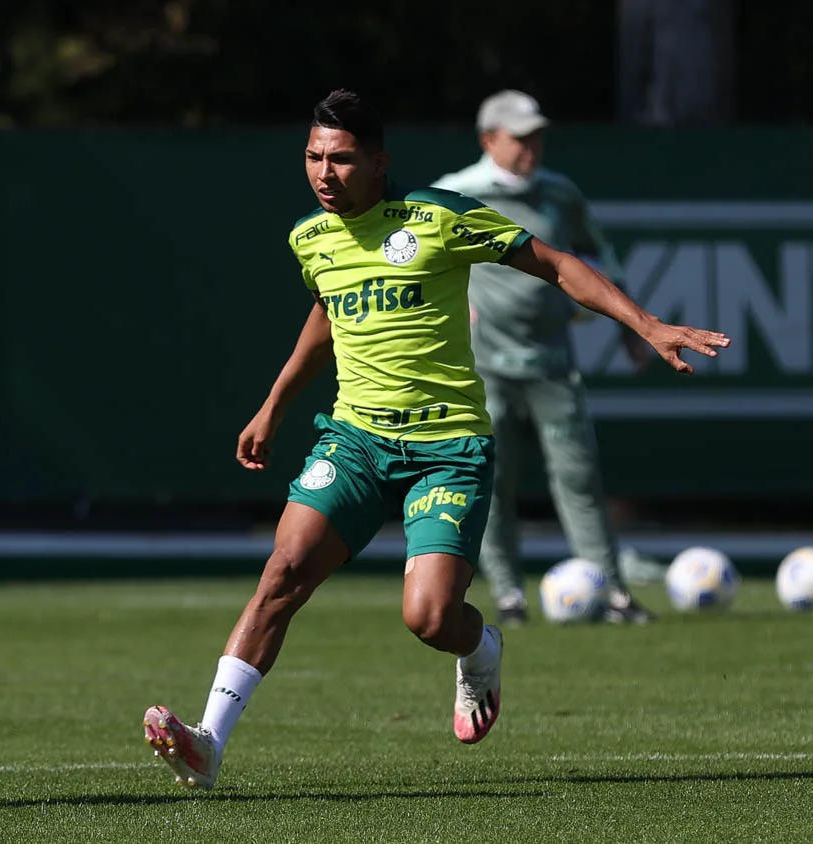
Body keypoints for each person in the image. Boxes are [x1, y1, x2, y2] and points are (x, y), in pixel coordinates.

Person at [141, 89, 728, 790]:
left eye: (343, 159)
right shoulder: (311, 237)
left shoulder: (439, 216)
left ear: (380, 161)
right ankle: (208, 744)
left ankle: (480, 651)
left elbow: (557, 263)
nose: (325, 172)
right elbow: (328, 315)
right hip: (355, 442)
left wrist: (647, 325)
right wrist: (273, 405)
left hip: (447, 450)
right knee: (283, 571)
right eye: (313, 157)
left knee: (427, 617)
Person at [432, 90, 655, 625]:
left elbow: (599, 257)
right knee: (493, 483)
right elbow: (421, 268)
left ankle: (612, 593)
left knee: (580, 477)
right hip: (482, 371)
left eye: (537, 135)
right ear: (489, 140)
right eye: (520, 136)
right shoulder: (454, 196)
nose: (532, 146)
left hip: (553, 364)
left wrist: (630, 327)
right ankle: (508, 594)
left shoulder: (560, 193)